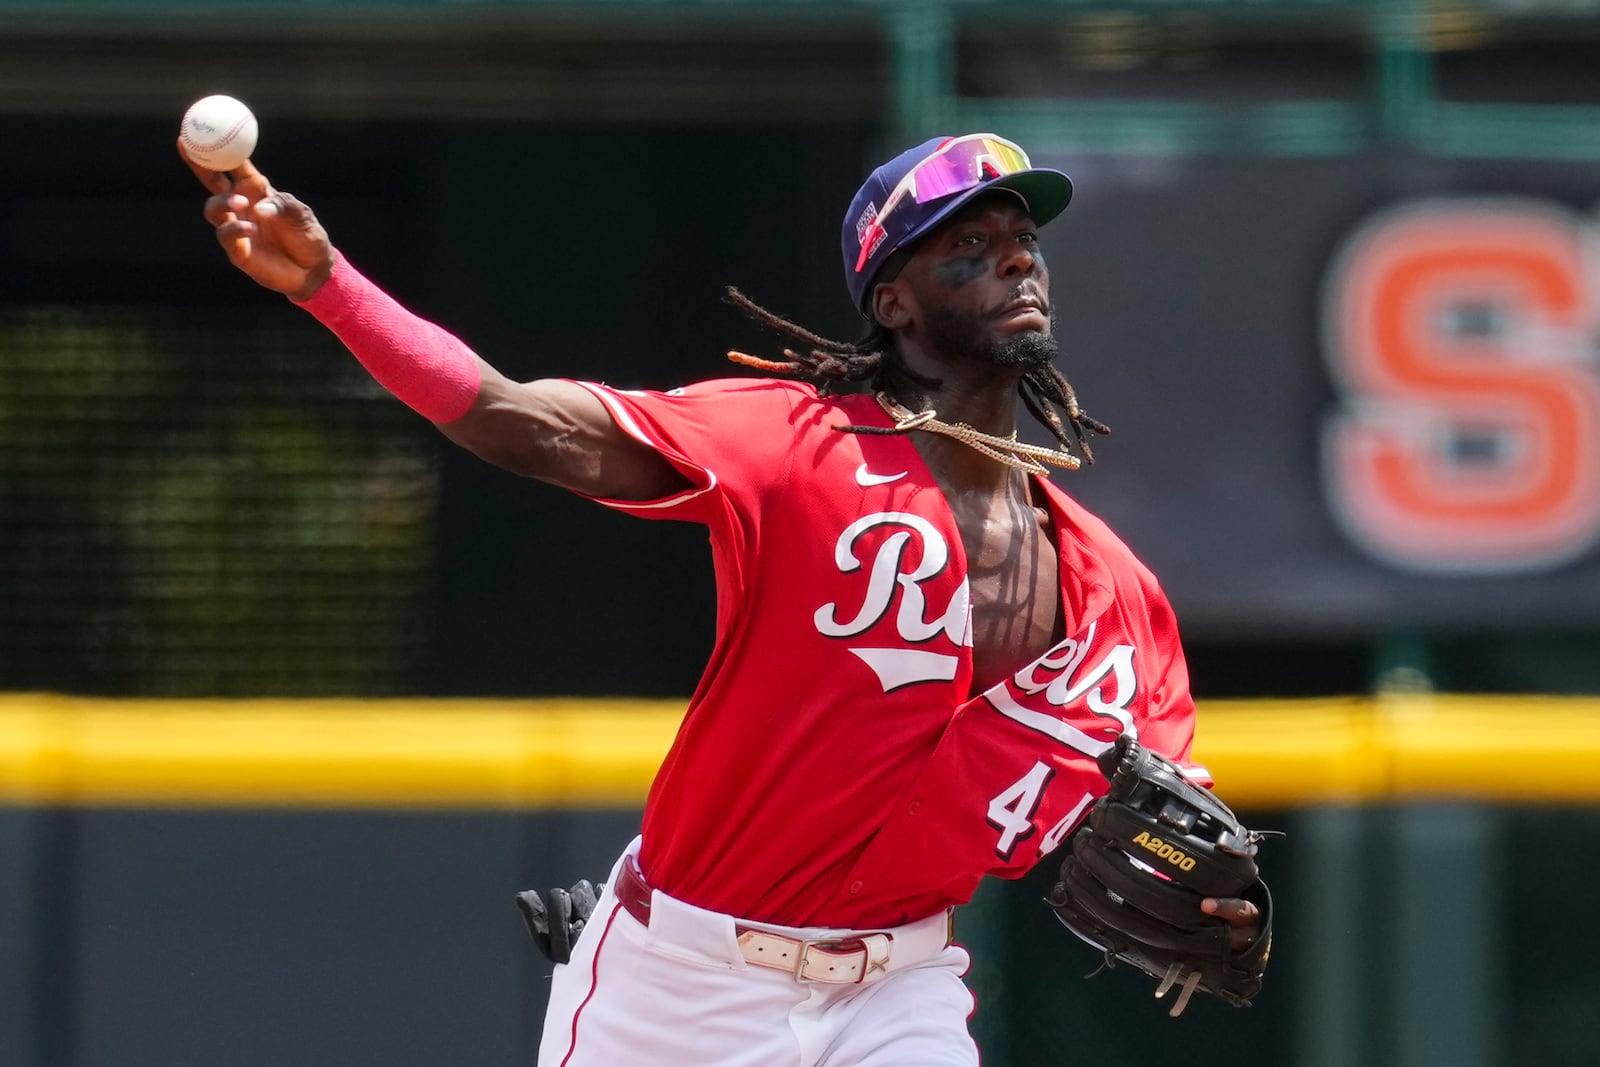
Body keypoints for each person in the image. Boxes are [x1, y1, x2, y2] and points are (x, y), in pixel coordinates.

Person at [184, 132, 1261, 1066]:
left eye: (1021, 241)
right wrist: (333, 289)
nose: (1013, 259)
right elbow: (525, 423)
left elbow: (1170, 811)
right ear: (894, 302)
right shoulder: (792, 448)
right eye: (966, 249)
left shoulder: (1117, 592)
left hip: (896, 986)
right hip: (677, 978)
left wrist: (1220, 894)